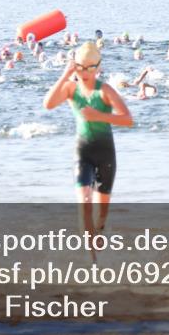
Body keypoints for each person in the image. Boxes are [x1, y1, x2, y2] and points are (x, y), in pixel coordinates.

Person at [43, 41, 133, 244]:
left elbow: (128, 119)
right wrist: (65, 74)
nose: (84, 73)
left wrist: (99, 116)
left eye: (90, 68)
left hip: (105, 154)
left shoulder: (105, 91)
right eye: (80, 67)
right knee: (84, 201)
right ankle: (90, 257)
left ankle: (98, 239)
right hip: (82, 152)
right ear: (74, 66)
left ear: (98, 68)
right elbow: (48, 104)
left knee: (101, 214)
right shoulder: (70, 89)